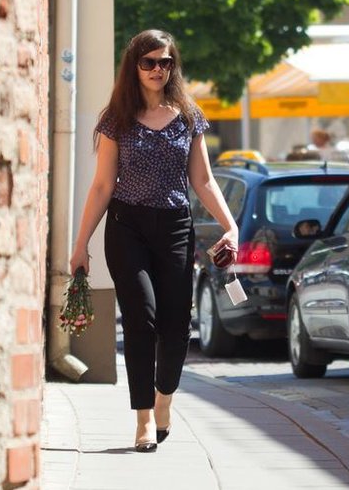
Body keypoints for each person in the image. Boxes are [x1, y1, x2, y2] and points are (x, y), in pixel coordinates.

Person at [69, 30, 238, 453]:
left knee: (177, 326)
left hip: (176, 226)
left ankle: (165, 400)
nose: (158, 70)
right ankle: (144, 417)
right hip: (127, 227)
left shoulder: (188, 115)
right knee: (141, 320)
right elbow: (103, 184)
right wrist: (80, 244)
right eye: (149, 62)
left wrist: (229, 226)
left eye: (165, 62)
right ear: (134, 66)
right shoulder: (116, 119)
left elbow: (202, 180)